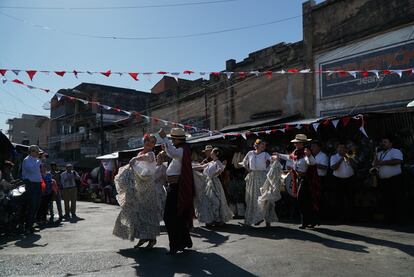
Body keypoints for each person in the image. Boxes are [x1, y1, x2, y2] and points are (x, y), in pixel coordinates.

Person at [113, 134, 160, 248]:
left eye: (152, 142)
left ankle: (152, 239)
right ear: (144, 141)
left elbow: (147, 158)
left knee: (149, 213)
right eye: (147, 140)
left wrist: (135, 158)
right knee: (138, 213)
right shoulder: (140, 153)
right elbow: (135, 168)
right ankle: (143, 237)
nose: (149, 143)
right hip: (138, 187)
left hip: (148, 187)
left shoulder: (151, 154)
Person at [159, 128, 195, 255]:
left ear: (178, 139)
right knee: (177, 216)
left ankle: (175, 244)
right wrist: (166, 145)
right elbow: (171, 153)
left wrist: (164, 138)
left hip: (176, 187)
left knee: (169, 217)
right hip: (174, 186)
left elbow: (173, 152)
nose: (172, 141)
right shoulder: (182, 150)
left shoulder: (182, 150)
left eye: (173, 139)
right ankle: (184, 241)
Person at [275, 134, 320, 229]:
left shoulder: (306, 153)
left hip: (307, 180)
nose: (295, 144)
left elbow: (312, 163)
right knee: (305, 201)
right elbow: (289, 157)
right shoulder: (296, 153)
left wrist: (309, 155)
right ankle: (309, 221)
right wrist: (278, 155)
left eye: (297, 143)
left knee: (302, 200)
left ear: (301, 143)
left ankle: (308, 221)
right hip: (299, 179)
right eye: (295, 143)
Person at [194, 148, 233, 227]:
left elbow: (220, 169)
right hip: (208, 183)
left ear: (216, 153)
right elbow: (201, 167)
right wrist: (190, 167)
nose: (210, 154)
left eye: (212, 152)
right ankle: (210, 219)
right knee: (207, 200)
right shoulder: (210, 162)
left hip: (214, 183)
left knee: (216, 201)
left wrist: (215, 173)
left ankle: (218, 219)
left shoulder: (218, 162)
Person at [374, 137, 403, 224]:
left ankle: (399, 220)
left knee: (396, 200)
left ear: (390, 144)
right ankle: (388, 220)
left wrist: (383, 162)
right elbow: (375, 165)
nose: (383, 143)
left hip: (394, 180)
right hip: (383, 181)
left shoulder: (395, 151)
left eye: (385, 142)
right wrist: (375, 158)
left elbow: (398, 161)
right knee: (386, 200)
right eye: (382, 142)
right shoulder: (379, 153)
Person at [242, 139, 271, 226]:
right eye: (262, 145)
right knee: (252, 198)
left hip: (262, 176)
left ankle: (266, 220)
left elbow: (272, 161)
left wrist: (267, 167)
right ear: (257, 145)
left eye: (264, 145)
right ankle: (255, 218)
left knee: (263, 197)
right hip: (252, 176)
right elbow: (244, 162)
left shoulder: (265, 154)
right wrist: (248, 169)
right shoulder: (250, 153)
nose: (264, 147)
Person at [330, 142, 355, 222]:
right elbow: (333, 168)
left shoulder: (350, 156)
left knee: (350, 198)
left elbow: (355, 166)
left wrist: (349, 158)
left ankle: (350, 217)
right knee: (338, 199)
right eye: (340, 148)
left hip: (349, 179)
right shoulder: (334, 157)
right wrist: (341, 159)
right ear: (337, 149)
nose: (342, 150)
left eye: (343, 148)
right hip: (337, 179)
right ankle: (340, 217)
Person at [22, 145, 42, 233]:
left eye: (38, 151)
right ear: (31, 151)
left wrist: (40, 160)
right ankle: (27, 227)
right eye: (36, 151)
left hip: (37, 184)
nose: (37, 153)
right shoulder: (27, 160)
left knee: (37, 205)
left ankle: (31, 225)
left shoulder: (36, 160)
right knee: (32, 205)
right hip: (31, 184)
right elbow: (31, 169)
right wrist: (39, 160)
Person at [311, 141, 330, 218]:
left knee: (320, 197)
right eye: (311, 146)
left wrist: (314, 165)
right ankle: (314, 214)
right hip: (312, 178)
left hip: (320, 178)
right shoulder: (311, 156)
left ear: (319, 147)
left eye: (314, 146)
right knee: (312, 197)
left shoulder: (323, 156)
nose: (312, 148)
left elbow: (325, 167)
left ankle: (321, 215)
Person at [154, 151, 167, 222]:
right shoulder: (154, 165)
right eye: (158, 157)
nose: (159, 159)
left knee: (160, 203)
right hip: (152, 186)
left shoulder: (163, 167)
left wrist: (159, 179)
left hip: (159, 186)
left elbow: (165, 178)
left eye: (161, 158)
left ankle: (159, 219)